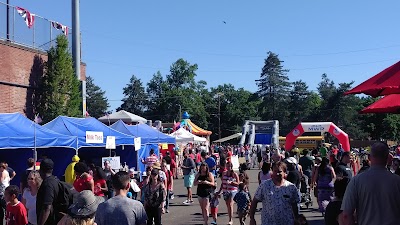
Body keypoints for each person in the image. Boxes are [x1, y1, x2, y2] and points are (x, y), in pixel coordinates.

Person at [340, 142, 400, 225]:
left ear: (369, 158)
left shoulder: (356, 181)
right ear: (388, 158)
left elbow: (346, 215)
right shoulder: (397, 181)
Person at [37, 158, 66, 225]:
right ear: (52, 170)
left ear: (40, 170)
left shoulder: (47, 184)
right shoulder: (55, 180)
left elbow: (46, 207)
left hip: (50, 221)